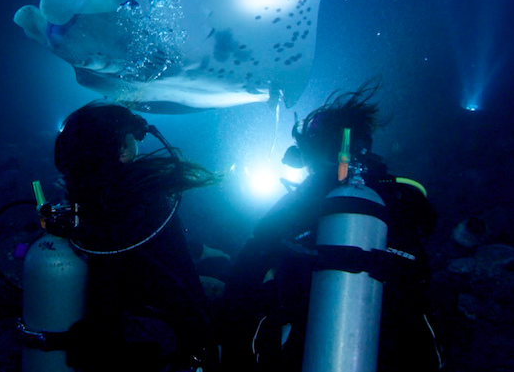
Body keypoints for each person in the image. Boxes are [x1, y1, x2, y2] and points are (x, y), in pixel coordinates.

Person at [222, 82, 446, 371]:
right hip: (401, 352)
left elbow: (244, 276)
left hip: (303, 352)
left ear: (313, 152)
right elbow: (425, 247)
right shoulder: (400, 196)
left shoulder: (298, 204)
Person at [53, 102, 220, 371]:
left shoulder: (86, 202)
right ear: (123, 150)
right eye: (130, 134)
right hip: (159, 346)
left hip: (124, 337)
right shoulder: (141, 201)